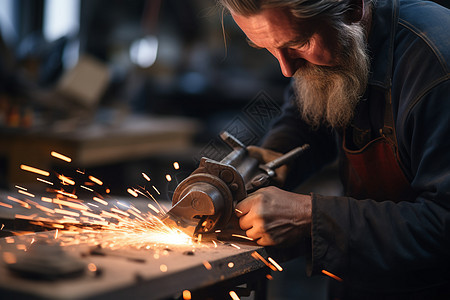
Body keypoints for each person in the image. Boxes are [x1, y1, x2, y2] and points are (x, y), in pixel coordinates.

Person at [217, 0, 450, 298]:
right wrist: (273, 157)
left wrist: (309, 216)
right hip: (363, 282)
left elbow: (443, 224)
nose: (286, 69)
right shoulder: (329, 45)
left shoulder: (436, 68)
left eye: (298, 42)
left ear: (353, 8)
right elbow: (307, 115)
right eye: (266, 48)